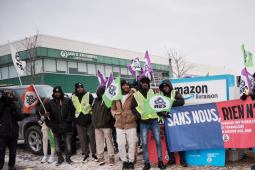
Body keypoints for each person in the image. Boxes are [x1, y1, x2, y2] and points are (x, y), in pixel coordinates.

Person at [131, 76, 168, 170]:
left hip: (154, 120)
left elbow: (157, 104)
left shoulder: (152, 92)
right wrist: (138, 116)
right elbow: (132, 107)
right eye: (143, 82)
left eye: (147, 82)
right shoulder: (136, 95)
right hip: (143, 122)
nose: (145, 84)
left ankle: (160, 162)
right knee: (144, 144)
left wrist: (158, 95)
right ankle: (147, 163)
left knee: (158, 142)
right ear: (140, 84)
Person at [159, 79, 187, 167]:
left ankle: (182, 159)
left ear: (170, 86)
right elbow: (157, 108)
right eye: (164, 87)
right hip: (166, 121)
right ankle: (171, 159)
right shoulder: (160, 96)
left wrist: (168, 104)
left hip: (176, 121)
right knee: (168, 141)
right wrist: (161, 113)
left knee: (180, 139)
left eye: (166, 86)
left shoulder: (175, 92)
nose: (165, 88)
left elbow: (181, 101)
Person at [112, 80, 138, 170]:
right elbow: (112, 109)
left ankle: (131, 161)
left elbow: (139, 105)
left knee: (132, 144)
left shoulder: (133, 95)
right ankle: (124, 161)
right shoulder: (116, 96)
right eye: (124, 85)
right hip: (119, 125)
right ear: (121, 86)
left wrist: (134, 117)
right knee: (120, 144)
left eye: (127, 85)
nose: (126, 86)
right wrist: (115, 115)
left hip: (131, 124)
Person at [45, 86, 74, 166]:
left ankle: (68, 158)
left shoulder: (67, 100)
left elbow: (71, 111)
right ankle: (60, 158)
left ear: (61, 92)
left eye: (58, 92)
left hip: (66, 126)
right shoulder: (51, 102)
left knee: (67, 144)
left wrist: (68, 121)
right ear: (54, 93)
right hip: (56, 127)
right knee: (57, 145)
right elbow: (48, 113)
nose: (57, 94)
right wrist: (47, 114)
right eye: (55, 92)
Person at [71, 83, 98, 163]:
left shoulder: (88, 95)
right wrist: (75, 120)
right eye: (78, 87)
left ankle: (93, 154)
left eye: (81, 87)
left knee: (92, 138)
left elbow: (93, 107)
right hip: (79, 122)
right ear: (76, 89)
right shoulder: (72, 97)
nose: (80, 89)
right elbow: (72, 109)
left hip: (89, 121)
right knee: (82, 139)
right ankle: (86, 155)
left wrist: (92, 118)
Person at [0, 90, 24, 170]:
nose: (9, 97)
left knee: (13, 150)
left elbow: (20, 118)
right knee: (1, 150)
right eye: (8, 95)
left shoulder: (15, 105)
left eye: (11, 95)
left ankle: (11, 165)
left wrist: (14, 110)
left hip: (13, 131)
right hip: (2, 131)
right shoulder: (1, 104)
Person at [92, 86, 115, 166]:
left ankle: (111, 157)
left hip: (106, 125)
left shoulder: (109, 100)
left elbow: (110, 111)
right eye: (99, 93)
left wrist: (107, 119)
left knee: (109, 142)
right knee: (99, 142)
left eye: (102, 93)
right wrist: (94, 121)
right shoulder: (96, 100)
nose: (101, 95)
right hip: (97, 125)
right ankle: (100, 157)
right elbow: (93, 111)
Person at [35, 96, 55, 163]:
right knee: (45, 138)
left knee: (52, 138)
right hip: (44, 123)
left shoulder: (47, 101)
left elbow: (52, 111)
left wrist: (46, 116)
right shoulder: (36, 105)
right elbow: (37, 113)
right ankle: (45, 155)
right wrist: (39, 120)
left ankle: (52, 155)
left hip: (51, 123)